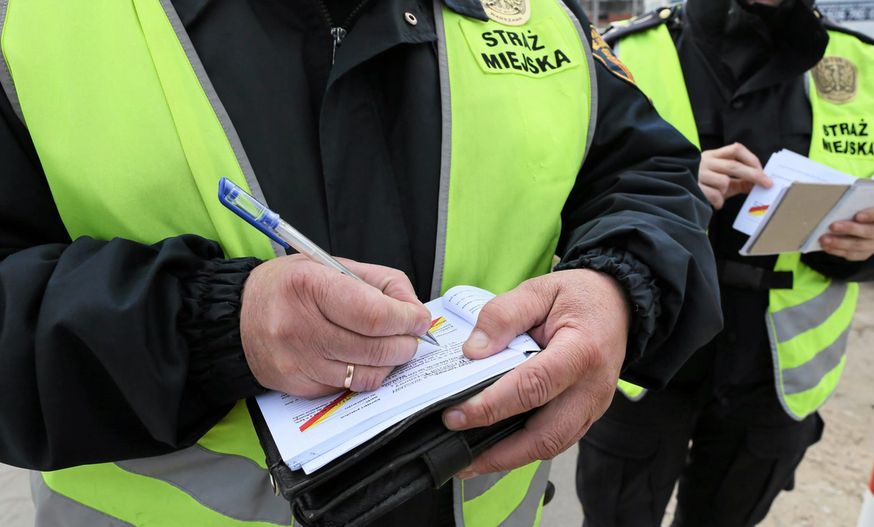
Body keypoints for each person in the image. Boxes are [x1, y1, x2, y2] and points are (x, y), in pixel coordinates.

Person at [0, 0, 722, 525]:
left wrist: (619, 286)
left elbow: (648, 170)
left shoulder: (538, 17)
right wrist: (215, 324)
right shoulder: (28, 24)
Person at [576, 1, 874, 526]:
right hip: (645, 353)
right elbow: (563, 194)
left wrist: (870, 243)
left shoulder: (862, 64)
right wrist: (671, 184)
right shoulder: (626, 50)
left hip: (774, 373)